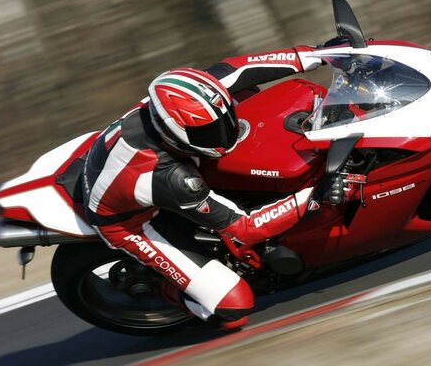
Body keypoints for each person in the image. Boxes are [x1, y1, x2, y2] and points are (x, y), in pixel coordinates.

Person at [82, 45, 332, 329]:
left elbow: (242, 67)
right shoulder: (174, 178)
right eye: (207, 132)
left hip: (121, 167)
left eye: (221, 123)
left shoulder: (191, 97)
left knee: (244, 91)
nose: (224, 134)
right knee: (233, 309)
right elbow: (245, 228)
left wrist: (316, 54)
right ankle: (171, 291)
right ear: (172, 132)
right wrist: (316, 196)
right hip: (129, 224)